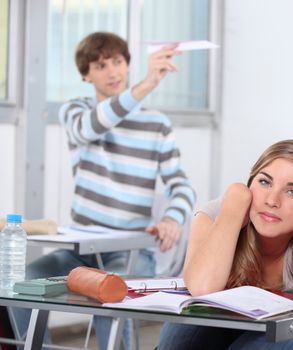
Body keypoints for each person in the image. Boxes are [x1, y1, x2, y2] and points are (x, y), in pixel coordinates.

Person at [14, 32, 196, 349]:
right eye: (100, 65)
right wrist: (147, 84)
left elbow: (180, 184)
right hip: (79, 251)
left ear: (127, 64)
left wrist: (172, 218)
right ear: (86, 74)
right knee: (23, 281)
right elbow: (92, 127)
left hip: (131, 252)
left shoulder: (157, 124)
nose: (112, 71)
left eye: (118, 62)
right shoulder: (76, 112)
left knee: (110, 294)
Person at [157, 139, 293, 350]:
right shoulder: (216, 214)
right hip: (221, 323)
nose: (272, 200)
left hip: (287, 330)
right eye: (264, 182)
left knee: (287, 337)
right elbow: (203, 287)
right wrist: (235, 205)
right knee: (179, 333)